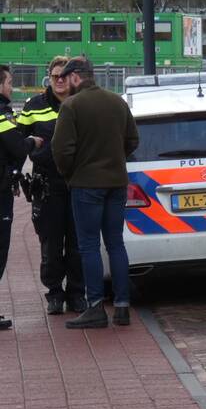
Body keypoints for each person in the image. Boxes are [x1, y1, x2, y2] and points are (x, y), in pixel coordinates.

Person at [52, 58, 139, 329]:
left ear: (77, 77)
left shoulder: (71, 106)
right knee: (115, 243)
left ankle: (95, 308)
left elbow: (61, 150)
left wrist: (71, 175)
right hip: (116, 183)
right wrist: (115, 161)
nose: (65, 83)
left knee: (88, 245)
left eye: (67, 78)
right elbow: (132, 140)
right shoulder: (117, 102)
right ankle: (122, 307)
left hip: (86, 185)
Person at [17, 56, 85, 315]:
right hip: (47, 185)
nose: (59, 80)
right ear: (49, 76)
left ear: (71, 78)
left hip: (78, 183)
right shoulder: (34, 106)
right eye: (55, 76)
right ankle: (54, 293)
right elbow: (17, 142)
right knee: (51, 245)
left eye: (63, 76)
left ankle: (77, 293)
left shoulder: (81, 103)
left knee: (78, 244)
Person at [0, 65, 44, 330]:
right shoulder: (2, 113)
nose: (11, 87)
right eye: (8, 82)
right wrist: (33, 142)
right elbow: (15, 145)